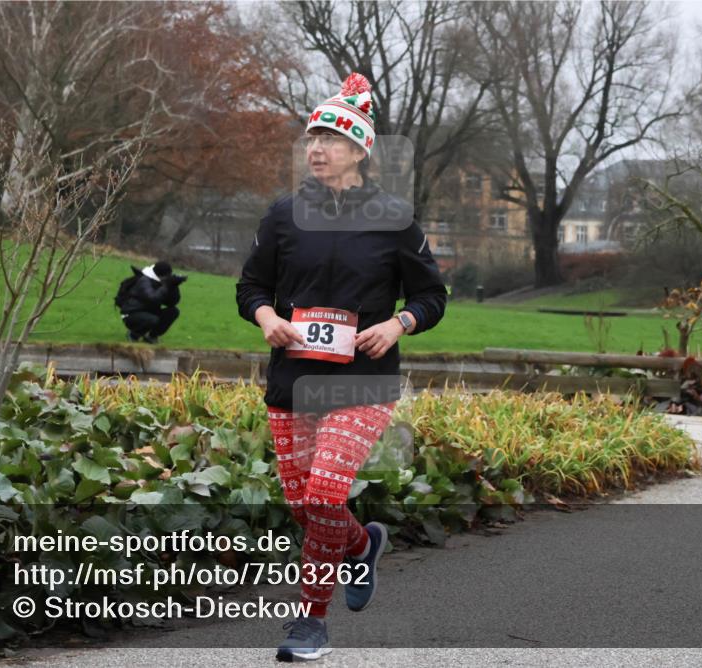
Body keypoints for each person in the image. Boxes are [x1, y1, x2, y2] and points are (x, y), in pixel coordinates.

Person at [235, 72, 447, 662]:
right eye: (311, 138)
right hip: (293, 381)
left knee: (327, 492)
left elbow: (433, 297)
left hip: (362, 381)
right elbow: (251, 286)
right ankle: (361, 544)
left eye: (330, 138)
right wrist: (265, 317)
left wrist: (397, 325)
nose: (317, 148)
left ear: (358, 150)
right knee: (307, 505)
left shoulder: (394, 218)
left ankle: (311, 621)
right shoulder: (283, 215)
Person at [115, 261, 185, 343]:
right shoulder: (144, 281)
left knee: (173, 311)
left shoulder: (161, 282)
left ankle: (151, 336)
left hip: (149, 313)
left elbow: (172, 303)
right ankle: (133, 334)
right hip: (131, 314)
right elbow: (152, 298)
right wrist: (167, 285)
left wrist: (174, 287)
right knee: (152, 320)